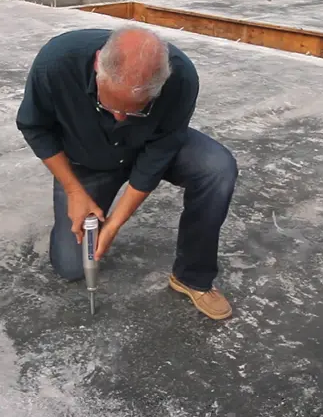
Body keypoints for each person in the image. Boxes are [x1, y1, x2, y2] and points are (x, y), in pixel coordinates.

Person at [16, 26, 238, 320]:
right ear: (98, 64)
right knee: (71, 267)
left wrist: (113, 225)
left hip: (147, 148)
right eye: (108, 106)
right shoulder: (56, 63)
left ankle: (192, 277)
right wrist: (73, 190)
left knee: (216, 168)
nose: (120, 119)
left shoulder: (181, 76)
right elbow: (34, 126)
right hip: (87, 160)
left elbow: (162, 149)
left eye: (135, 111)